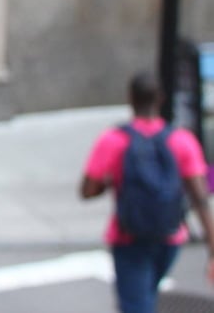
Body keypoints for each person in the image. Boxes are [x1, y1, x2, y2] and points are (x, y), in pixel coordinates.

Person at [80, 71, 214, 313]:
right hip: (170, 238)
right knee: (145, 294)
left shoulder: (114, 140)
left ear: (130, 99)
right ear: (161, 99)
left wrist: (111, 182)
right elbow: (201, 198)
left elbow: (87, 190)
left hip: (128, 238)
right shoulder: (182, 141)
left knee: (136, 302)